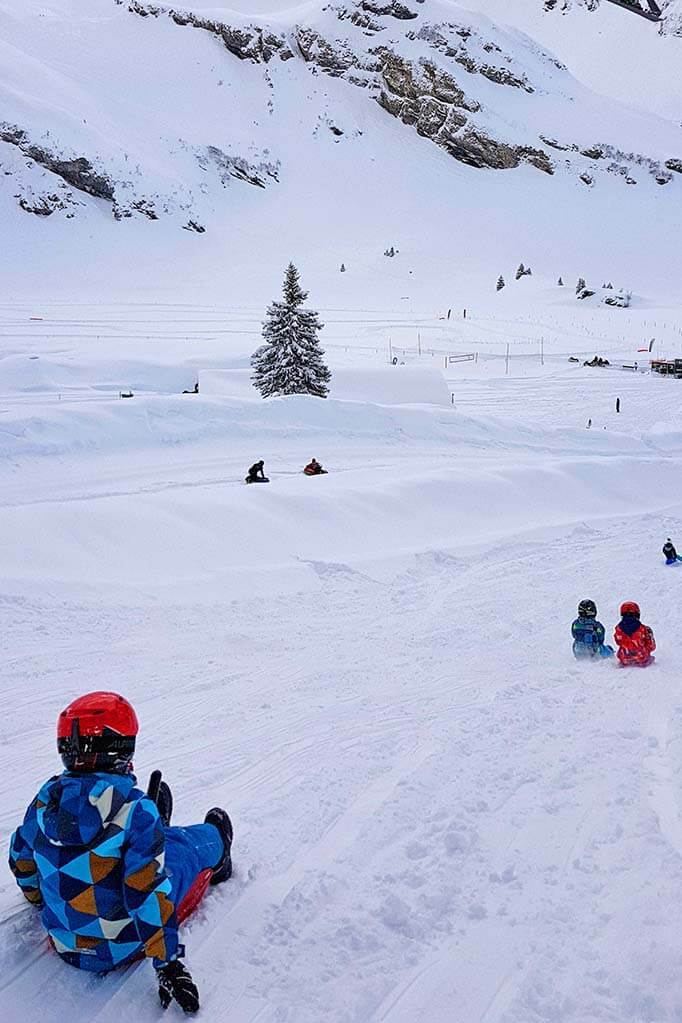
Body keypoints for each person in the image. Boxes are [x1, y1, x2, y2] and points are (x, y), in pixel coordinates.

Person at [9, 692, 233, 1014]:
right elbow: (145, 890)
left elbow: (21, 858)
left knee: (134, 841)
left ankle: (144, 839)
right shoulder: (135, 808)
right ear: (121, 748)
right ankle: (217, 846)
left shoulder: (47, 800)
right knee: (182, 850)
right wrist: (167, 965)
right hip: (121, 944)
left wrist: (38, 897)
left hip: (64, 943)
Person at [614, 602, 656, 667]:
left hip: (624, 658)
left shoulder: (618, 628)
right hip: (641, 658)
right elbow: (651, 646)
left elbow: (618, 642)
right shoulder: (644, 629)